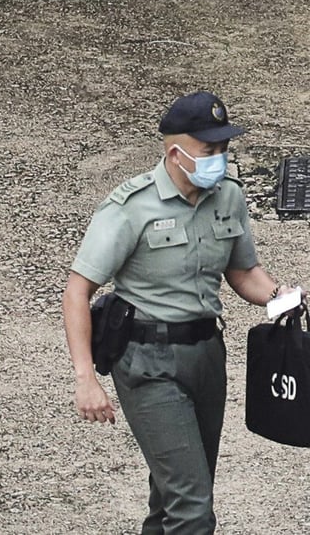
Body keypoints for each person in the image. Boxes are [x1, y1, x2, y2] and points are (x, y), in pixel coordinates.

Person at [63, 90, 303, 534]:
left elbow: (243, 270)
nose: (220, 158)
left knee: (173, 497)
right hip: (147, 363)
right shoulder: (131, 208)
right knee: (192, 509)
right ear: (176, 153)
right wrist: (85, 379)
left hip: (207, 356)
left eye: (224, 148)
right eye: (209, 150)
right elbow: (78, 290)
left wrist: (278, 295)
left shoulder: (228, 196)